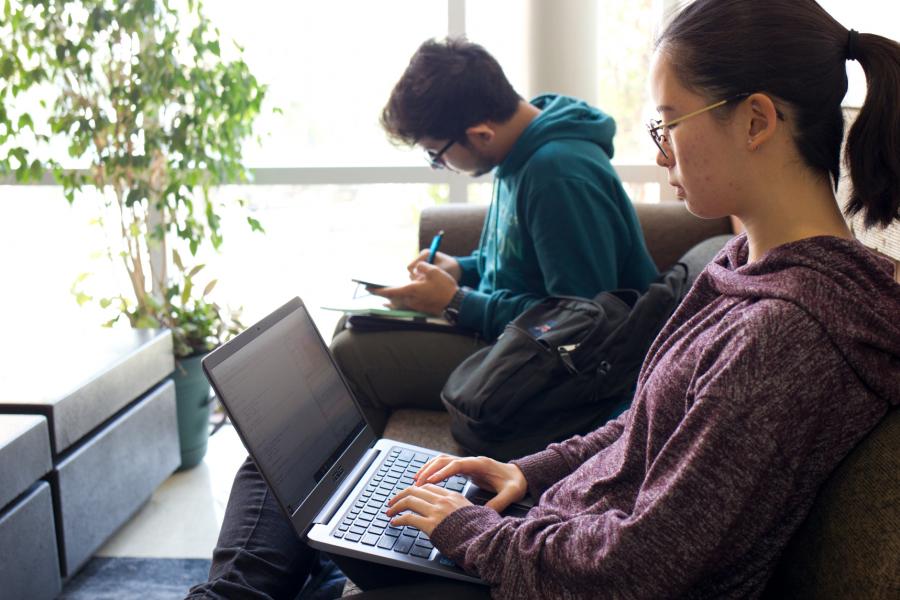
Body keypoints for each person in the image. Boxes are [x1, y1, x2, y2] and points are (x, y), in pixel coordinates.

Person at [187, 2, 900, 598]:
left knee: (315, 502)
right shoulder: (740, 262)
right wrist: (528, 472)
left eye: (670, 122)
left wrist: (469, 533)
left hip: (552, 572)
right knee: (309, 490)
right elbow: (641, 431)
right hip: (542, 535)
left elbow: (642, 567)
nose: (659, 152)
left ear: (755, 122)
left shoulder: (788, 333)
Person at [330, 37, 658, 434]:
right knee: (355, 322)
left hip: (558, 365)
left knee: (351, 353)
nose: (440, 165)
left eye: (437, 154)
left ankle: (346, 477)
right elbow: (518, 261)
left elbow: (581, 325)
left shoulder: (558, 175)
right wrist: (462, 271)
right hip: (510, 335)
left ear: (481, 134)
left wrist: (457, 302)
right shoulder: (517, 153)